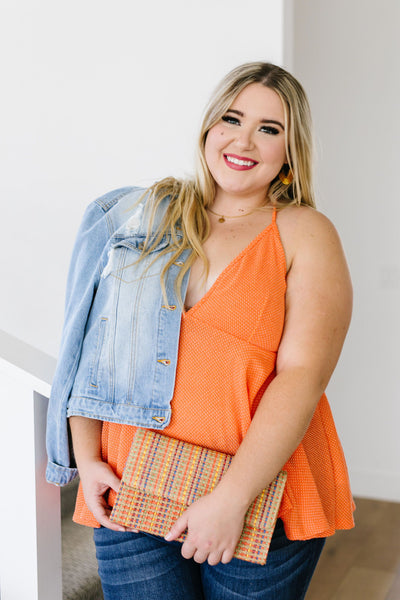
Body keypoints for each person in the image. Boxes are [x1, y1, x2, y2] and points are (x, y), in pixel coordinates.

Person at [46, 62, 355, 599]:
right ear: (208, 129)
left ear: (290, 150)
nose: (244, 140)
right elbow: (94, 348)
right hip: (130, 478)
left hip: (259, 493)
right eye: (231, 119)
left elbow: (302, 377)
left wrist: (231, 500)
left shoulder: (307, 233)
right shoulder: (147, 215)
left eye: (269, 128)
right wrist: (89, 458)